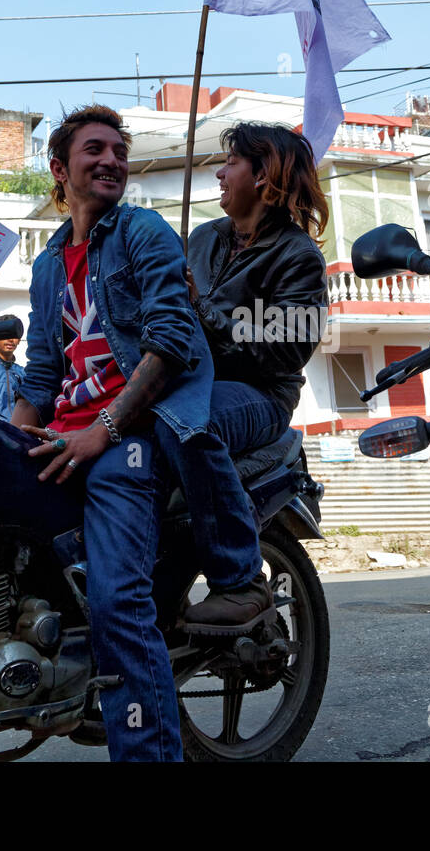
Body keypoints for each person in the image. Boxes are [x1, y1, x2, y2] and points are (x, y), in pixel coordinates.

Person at [11, 104, 213, 762]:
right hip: (60, 437)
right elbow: (41, 372)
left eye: (119, 152)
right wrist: (9, 441)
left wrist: (103, 428)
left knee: (118, 604)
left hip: (125, 441)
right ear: (59, 168)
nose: (111, 161)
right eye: (94, 149)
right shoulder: (46, 266)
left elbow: (173, 338)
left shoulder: (142, 231)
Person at [158, 122, 329, 631]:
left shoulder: (298, 256)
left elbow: (288, 347)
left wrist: (201, 311)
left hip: (260, 395)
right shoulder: (204, 238)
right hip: (191, 381)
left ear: (264, 175)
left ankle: (241, 581)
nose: (219, 172)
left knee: (187, 423)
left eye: (231, 162)